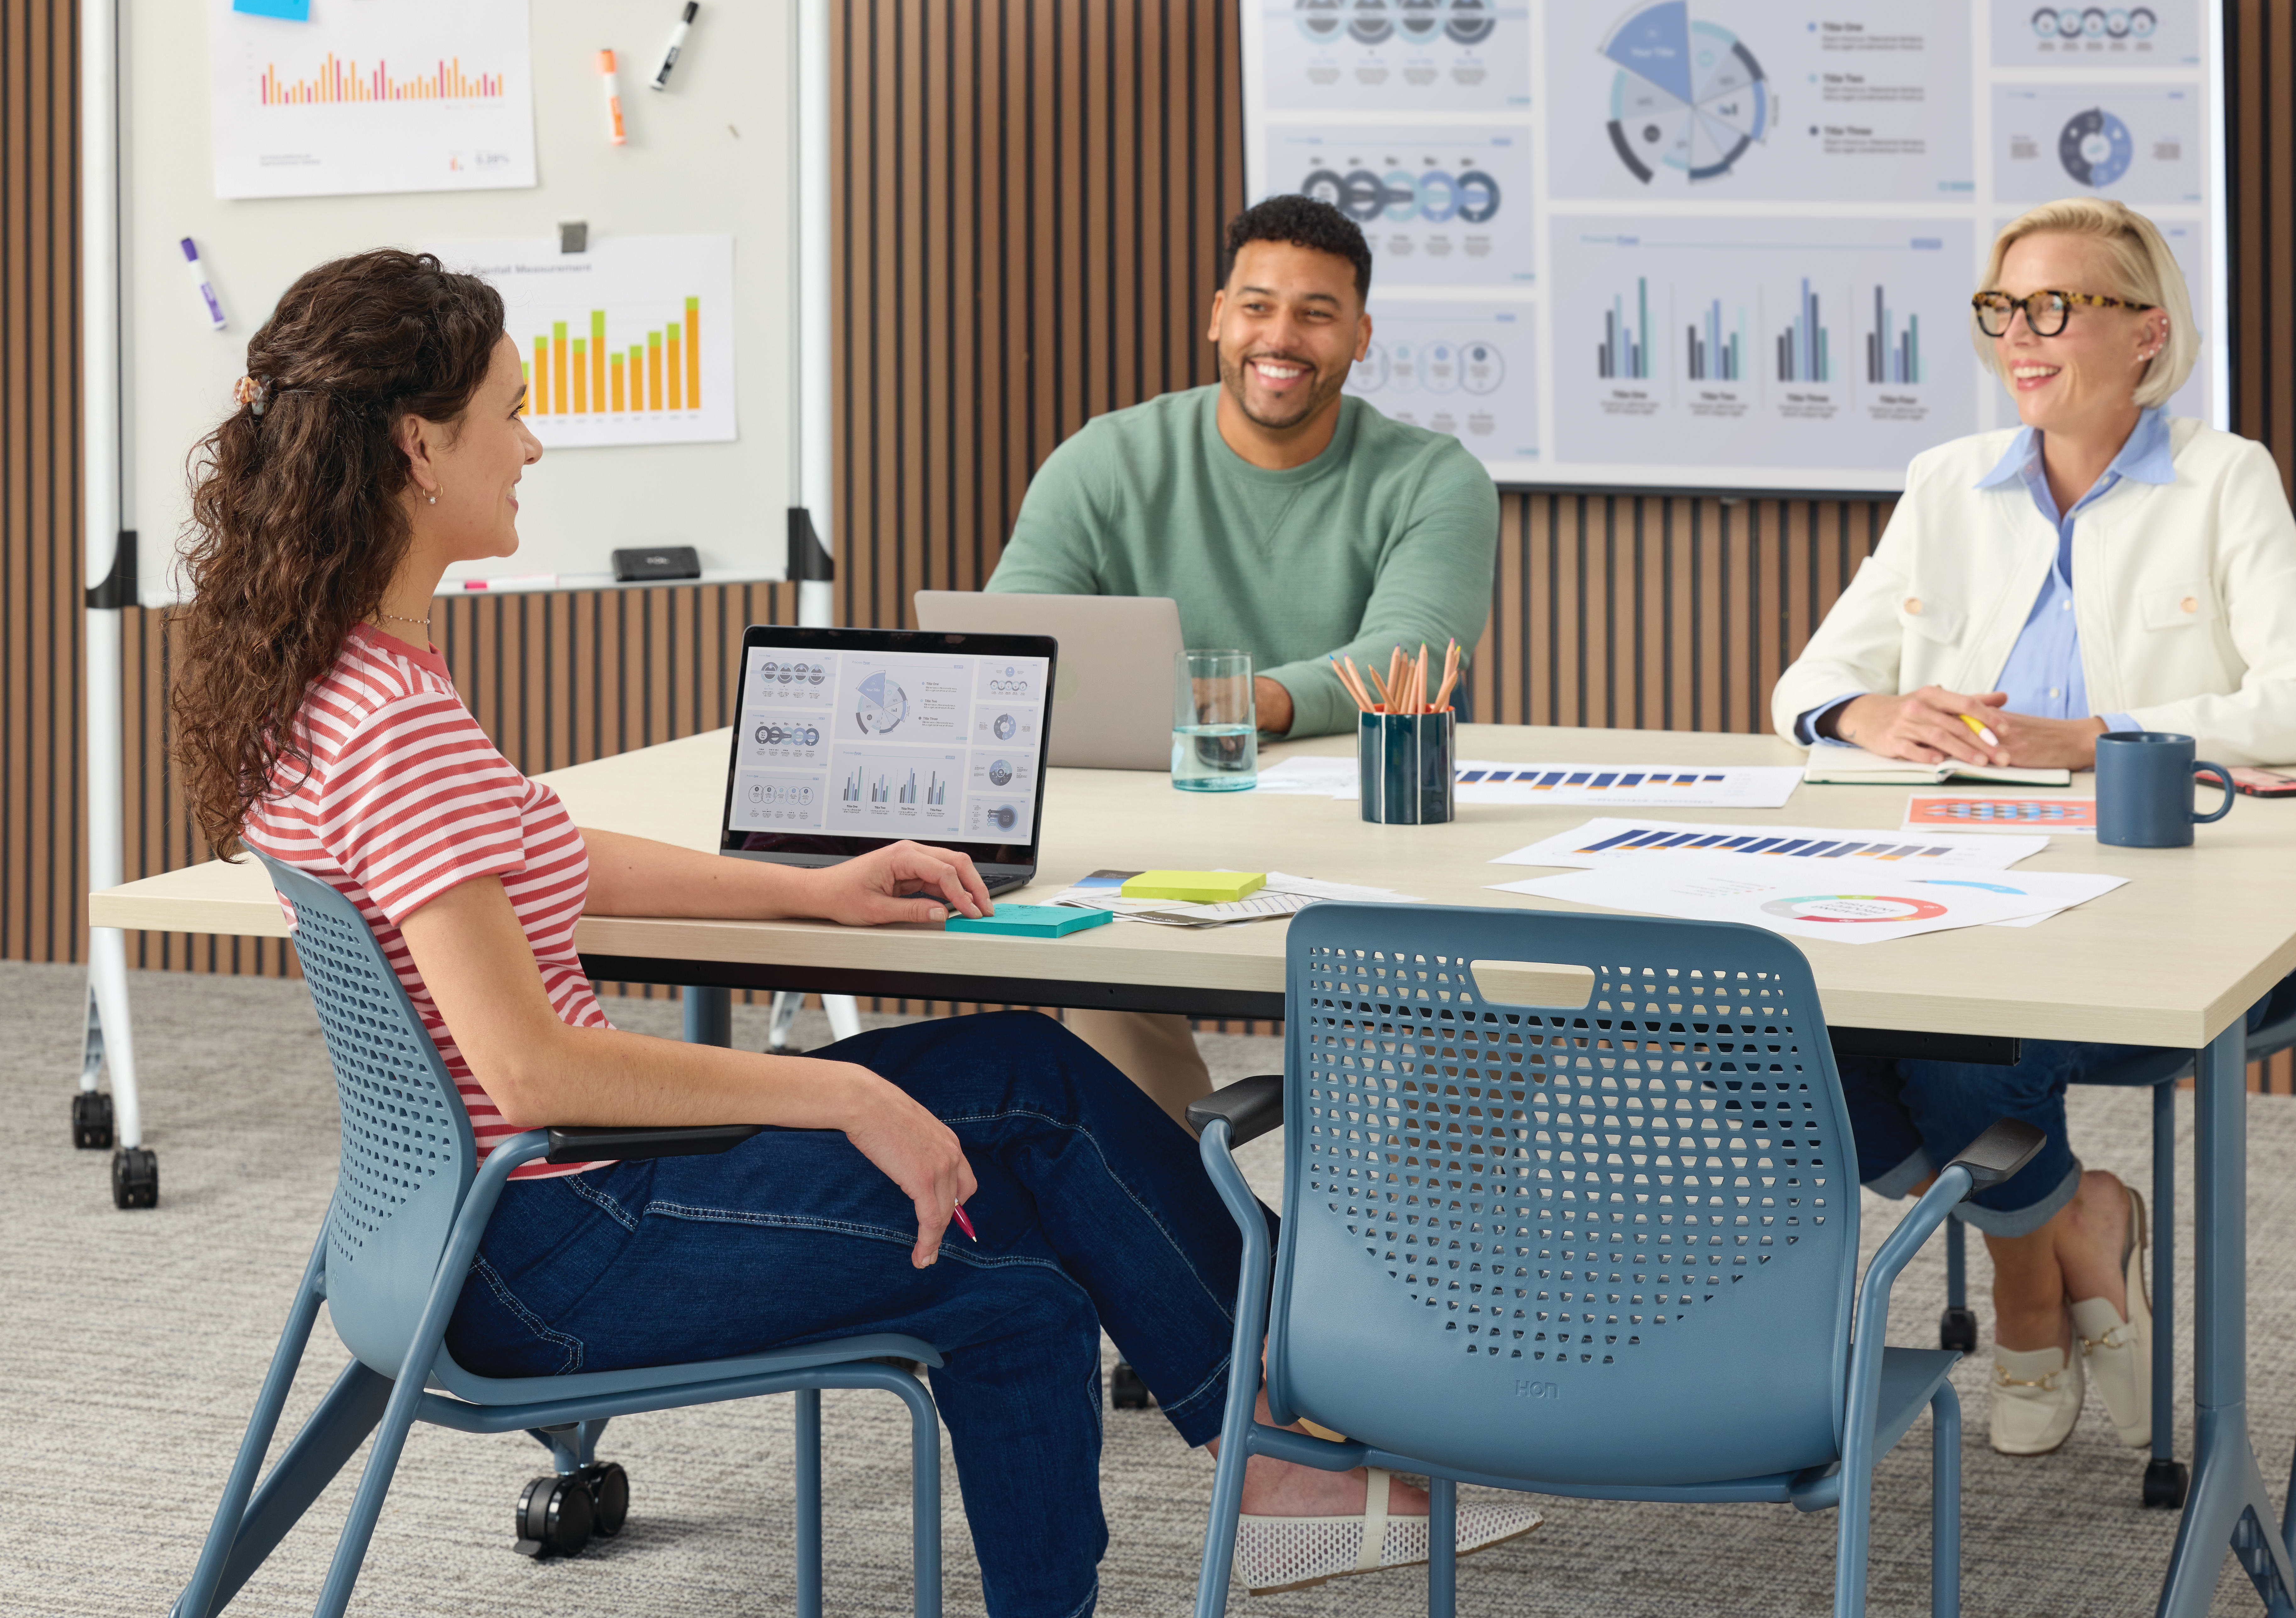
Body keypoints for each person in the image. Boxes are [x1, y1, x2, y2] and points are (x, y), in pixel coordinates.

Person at [169, 250, 1535, 1613]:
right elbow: (532, 1071)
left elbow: (539, 850)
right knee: (1022, 1291)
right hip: (554, 1237)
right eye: (510, 411)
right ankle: (1299, 1435)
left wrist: (812, 890)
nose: (534, 444)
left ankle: (1288, 1422)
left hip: (450, 1225)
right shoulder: (400, 726)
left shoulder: (342, 677)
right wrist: (847, 1095)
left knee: (1033, 1069)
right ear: (419, 446)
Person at [1771, 198, 2296, 1459]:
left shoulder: (2223, 478)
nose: (2018, 337)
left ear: (2146, 332)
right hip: (1949, 873)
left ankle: (2026, 1299)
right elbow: (1806, 687)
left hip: (2153, 906)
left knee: (1963, 1053)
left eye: (2053, 307)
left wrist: (2093, 735)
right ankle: (2068, 1224)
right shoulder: (1948, 481)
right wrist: (1873, 711)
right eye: (2002, 309)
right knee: (1766, 1031)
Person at [986, 194, 1500, 1125]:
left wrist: (1238, 704)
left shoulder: (1434, 476)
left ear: (1361, 336)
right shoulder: (1107, 459)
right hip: (1154, 818)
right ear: (1218, 316)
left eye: (1317, 313)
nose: (1282, 336)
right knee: (1098, 961)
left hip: (1367, 819)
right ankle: (1182, 1204)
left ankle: (1401, 1217)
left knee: (1500, 988)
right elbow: (1014, 649)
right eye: (1258, 306)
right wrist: (1207, 713)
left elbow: (1412, 654)